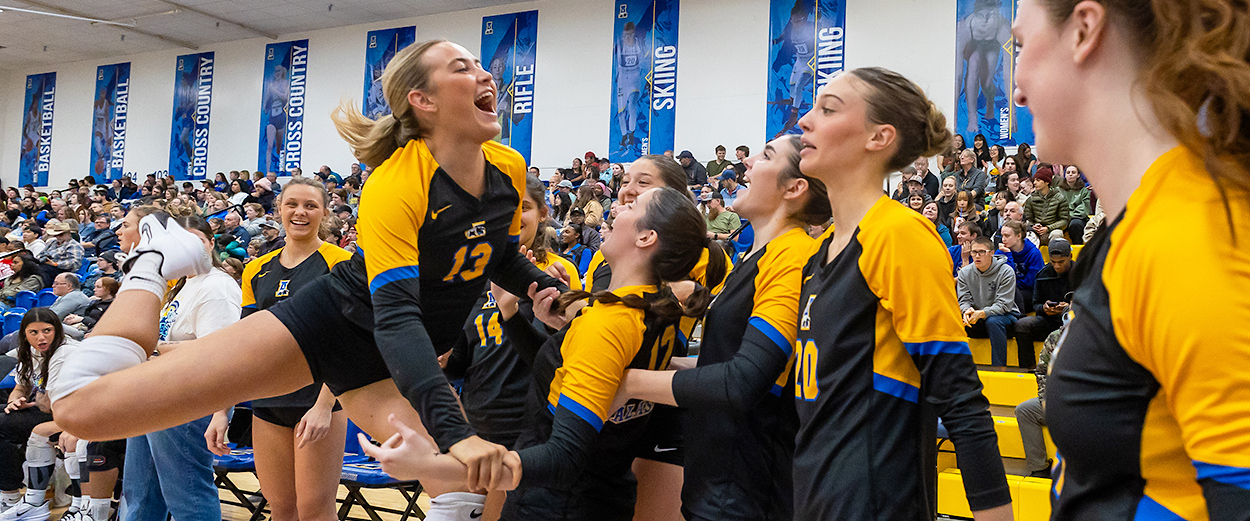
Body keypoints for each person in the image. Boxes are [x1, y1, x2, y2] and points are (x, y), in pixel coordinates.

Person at [49, 40, 565, 521]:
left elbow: (488, 249)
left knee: (469, 487)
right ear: (422, 100)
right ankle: (156, 259)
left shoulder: (507, 165)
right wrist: (454, 433)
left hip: (393, 360)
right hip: (333, 327)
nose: (484, 72)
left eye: (479, 64)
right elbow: (398, 318)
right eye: (463, 67)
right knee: (81, 413)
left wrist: (543, 289)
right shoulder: (396, 183)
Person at [360, 187, 722, 521]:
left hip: (556, 504)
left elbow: (563, 456)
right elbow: (566, 383)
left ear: (647, 237)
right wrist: (516, 319)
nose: (617, 206)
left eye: (631, 205)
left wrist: (433, 465)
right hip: (600, 497)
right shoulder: (654, 309)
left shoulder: (609, 324)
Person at [786, 67, 1010, 519]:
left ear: (879, 137)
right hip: (816, 497)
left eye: (827, 109)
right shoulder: (821, 252)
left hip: (876, 502)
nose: (805, 121)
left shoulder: (900, 234)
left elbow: (960, 398)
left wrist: (994, 513)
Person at [608, 135, 830, 521]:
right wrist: (661, 367)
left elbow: (744, 381)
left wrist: (625, 381)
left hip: (748, 485)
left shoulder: (792, 256)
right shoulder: (755, 255)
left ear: (794, 188)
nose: (746, 163)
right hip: (716, 473)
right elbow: (721, 361)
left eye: (766, 156)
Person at [444, 174, 582, 520]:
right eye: (502, 207)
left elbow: (556, 356)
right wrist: (442, 358)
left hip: (525, 430)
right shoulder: (471, 271)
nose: (512, 215)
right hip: (476, 427)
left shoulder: (557, 272)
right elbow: (462, 359)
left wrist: (510, 310)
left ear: (543, 214)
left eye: (524, 207)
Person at [239, 177, 352, 521]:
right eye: (292, 204)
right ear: (279, 210)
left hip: (319, 400)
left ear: (325, 212)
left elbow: (349, 342)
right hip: (269, 402)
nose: (300, 212)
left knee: (315, 510)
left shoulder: (341, 262)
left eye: (310, 205)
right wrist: (221, 409)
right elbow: (246, 345)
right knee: (282, 509)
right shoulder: (257, 269)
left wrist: (323, 405)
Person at [0, 309, 76, 519]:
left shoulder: (65, 352)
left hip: (74, 413)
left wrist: (34, 400)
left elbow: (48, 405)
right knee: (5, 417)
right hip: (51, 408)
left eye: (47, 331)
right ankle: (11, 496)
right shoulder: (30, 352)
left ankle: (10, 497)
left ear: (57, 330)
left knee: (2, 425)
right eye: (34, 332)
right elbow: (20, 388)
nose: (41, 337)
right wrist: (15, 401)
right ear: (25, 334)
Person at [958, 236, 1021, 368]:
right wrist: (966, 310)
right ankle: (956, 370)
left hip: (1006, 317)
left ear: (992, 253)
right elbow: (963, 300)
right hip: (977, 316)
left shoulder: (1006, 272)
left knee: (993, 321)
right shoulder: (964, 273)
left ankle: (999, 368)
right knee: (951, 319)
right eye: (974, 252)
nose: (977, 256)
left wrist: (981, 313)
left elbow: (1003, 305)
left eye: (982, 252)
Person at [1012, 238, 1072, 369]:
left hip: (1073, 321)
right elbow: (1036, 304)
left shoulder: (1081, 273)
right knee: (1021, 325)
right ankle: (1029, 369)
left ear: (1070, 257)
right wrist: (1044, 308)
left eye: (1061, 262)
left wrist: (1068, 308)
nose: (1057, 266)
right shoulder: (1043, 274)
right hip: (1049, 320)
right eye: (1053, 262)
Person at [1014, 327, 1060, 480]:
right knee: (1025, 410)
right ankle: (1039, 468)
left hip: (1089, 404)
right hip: (1057, 400)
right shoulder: (1055, 337)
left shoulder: (1099, 336)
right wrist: (1046, 400)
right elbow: (1041, 372)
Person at [997, 220, 1044, 315]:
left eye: (1007, 236)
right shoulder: (1001, 252)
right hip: (1007, 290)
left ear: (1019, 236)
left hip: (1028, 293)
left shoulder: (1034, 253)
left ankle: (1019, 319)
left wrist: (1008, 256)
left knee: (1012, 295)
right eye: (1002, 236)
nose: (1003, 239)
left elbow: (1030, 282)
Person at [1022, 165, 1069, 242]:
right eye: (1034, 180)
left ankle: (1056, 254)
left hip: (1053, 229)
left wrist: (1048, 228)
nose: (1034, 183)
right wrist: (1034, 226)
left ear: (1047, 182)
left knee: (1057, 234)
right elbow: (1028, 219)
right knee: (1027, 235)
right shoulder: (1031, 199)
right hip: (1036, 230)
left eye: (1038, 180)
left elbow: (1064, 221)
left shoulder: (1060, 198)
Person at [1055, 165, 1090, 245]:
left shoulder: (1084, 191)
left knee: (1075, 224)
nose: (1070, 174)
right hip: (1062, 218)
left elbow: (1084, 209)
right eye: (1068, 172)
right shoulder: (1058, 190)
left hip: (1077, 218)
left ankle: (1077, 248)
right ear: (1065, 175)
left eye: (1073, 172)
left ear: (1078, 175)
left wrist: (1069, 216)